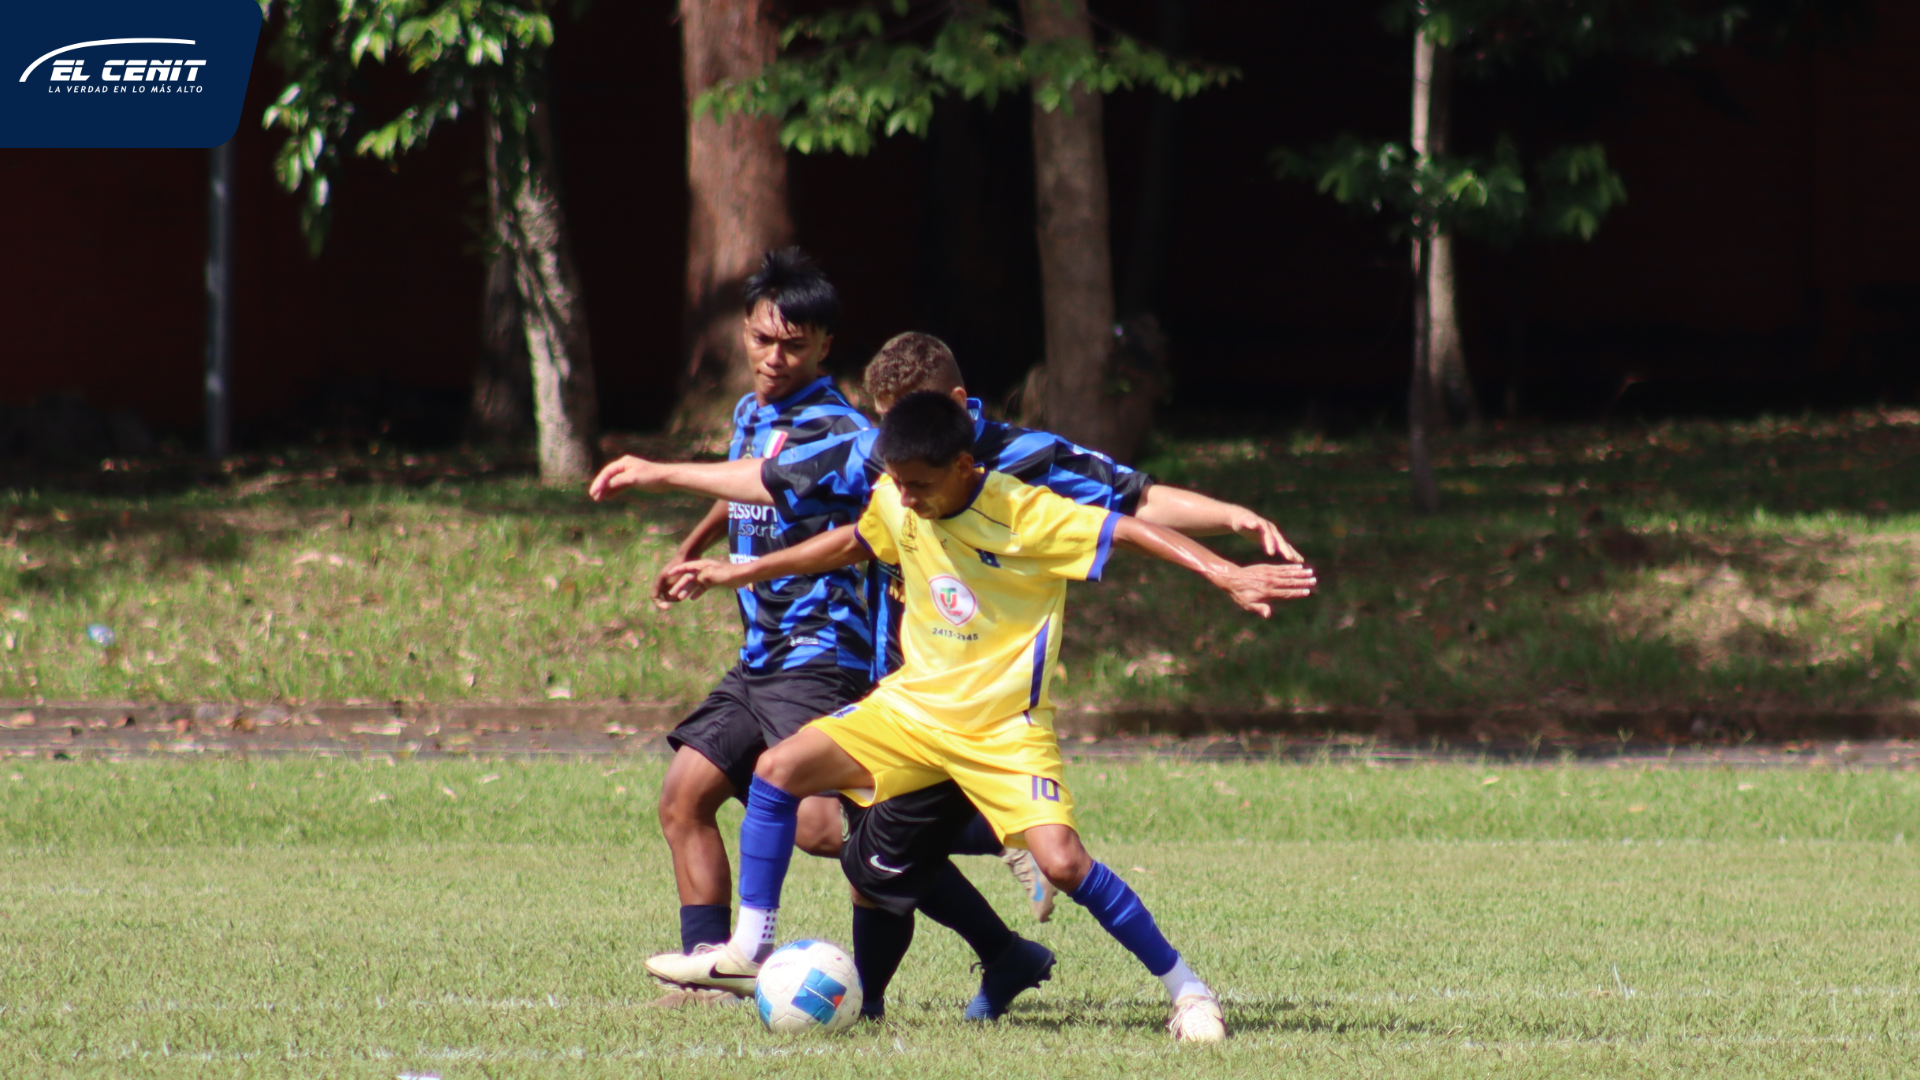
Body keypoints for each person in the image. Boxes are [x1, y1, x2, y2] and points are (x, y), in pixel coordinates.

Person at [604, 333, 1305, 1018]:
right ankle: (750, 950)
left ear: (964, 456)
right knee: (783, 775)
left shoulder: (1024, 503)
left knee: (1062, 863)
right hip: (909, 708)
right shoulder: (894, 483)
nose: (901, 497)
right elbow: (850, 536)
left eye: (916, 485)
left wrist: (1227, 569)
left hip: (1001, 727)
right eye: (895, 478)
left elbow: (1128, 521)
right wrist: (739, 568)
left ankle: (1187, 989)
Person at [586, 248, 874, 995]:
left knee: (819, 829)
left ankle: (965, 832)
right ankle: (709, 968)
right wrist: (693, 545)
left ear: (825, 346)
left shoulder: (837, 427)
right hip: (761, 656)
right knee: (683, 797)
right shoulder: (752, 412)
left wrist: (659, 472)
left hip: (820, 652)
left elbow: (773, 486)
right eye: (761, 338)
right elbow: (740, 482)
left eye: (793, 345)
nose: (774, 358)